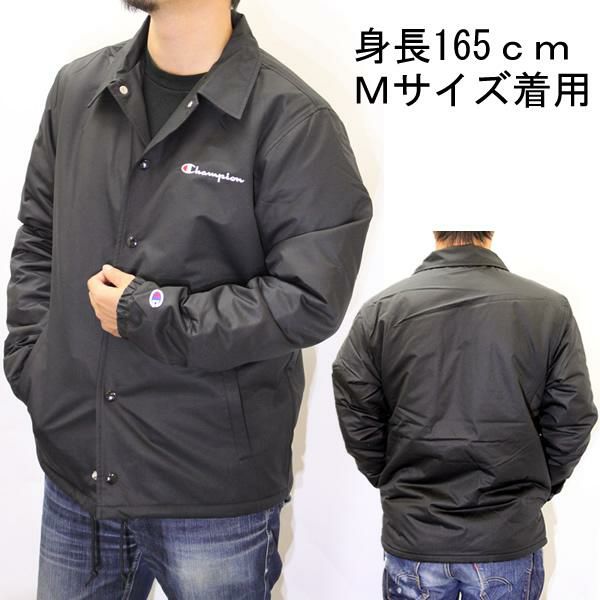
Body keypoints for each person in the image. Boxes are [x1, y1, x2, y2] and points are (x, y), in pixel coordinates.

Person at [3, 0, 372, 597]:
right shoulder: (78, 90)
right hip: (79, 478)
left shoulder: (292, 120)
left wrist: (153, 312)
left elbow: (308, 298)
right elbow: (39, 236)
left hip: (211, 496)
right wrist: (33, 363)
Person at [332, 231, 596, 600]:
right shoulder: (549, 309)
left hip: (417, 534)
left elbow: (356, 410)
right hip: (506, 534)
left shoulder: (381, 311)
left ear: (435, 231)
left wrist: (394, 479)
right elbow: (572, 418)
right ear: (491, 231)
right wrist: (532, 487)